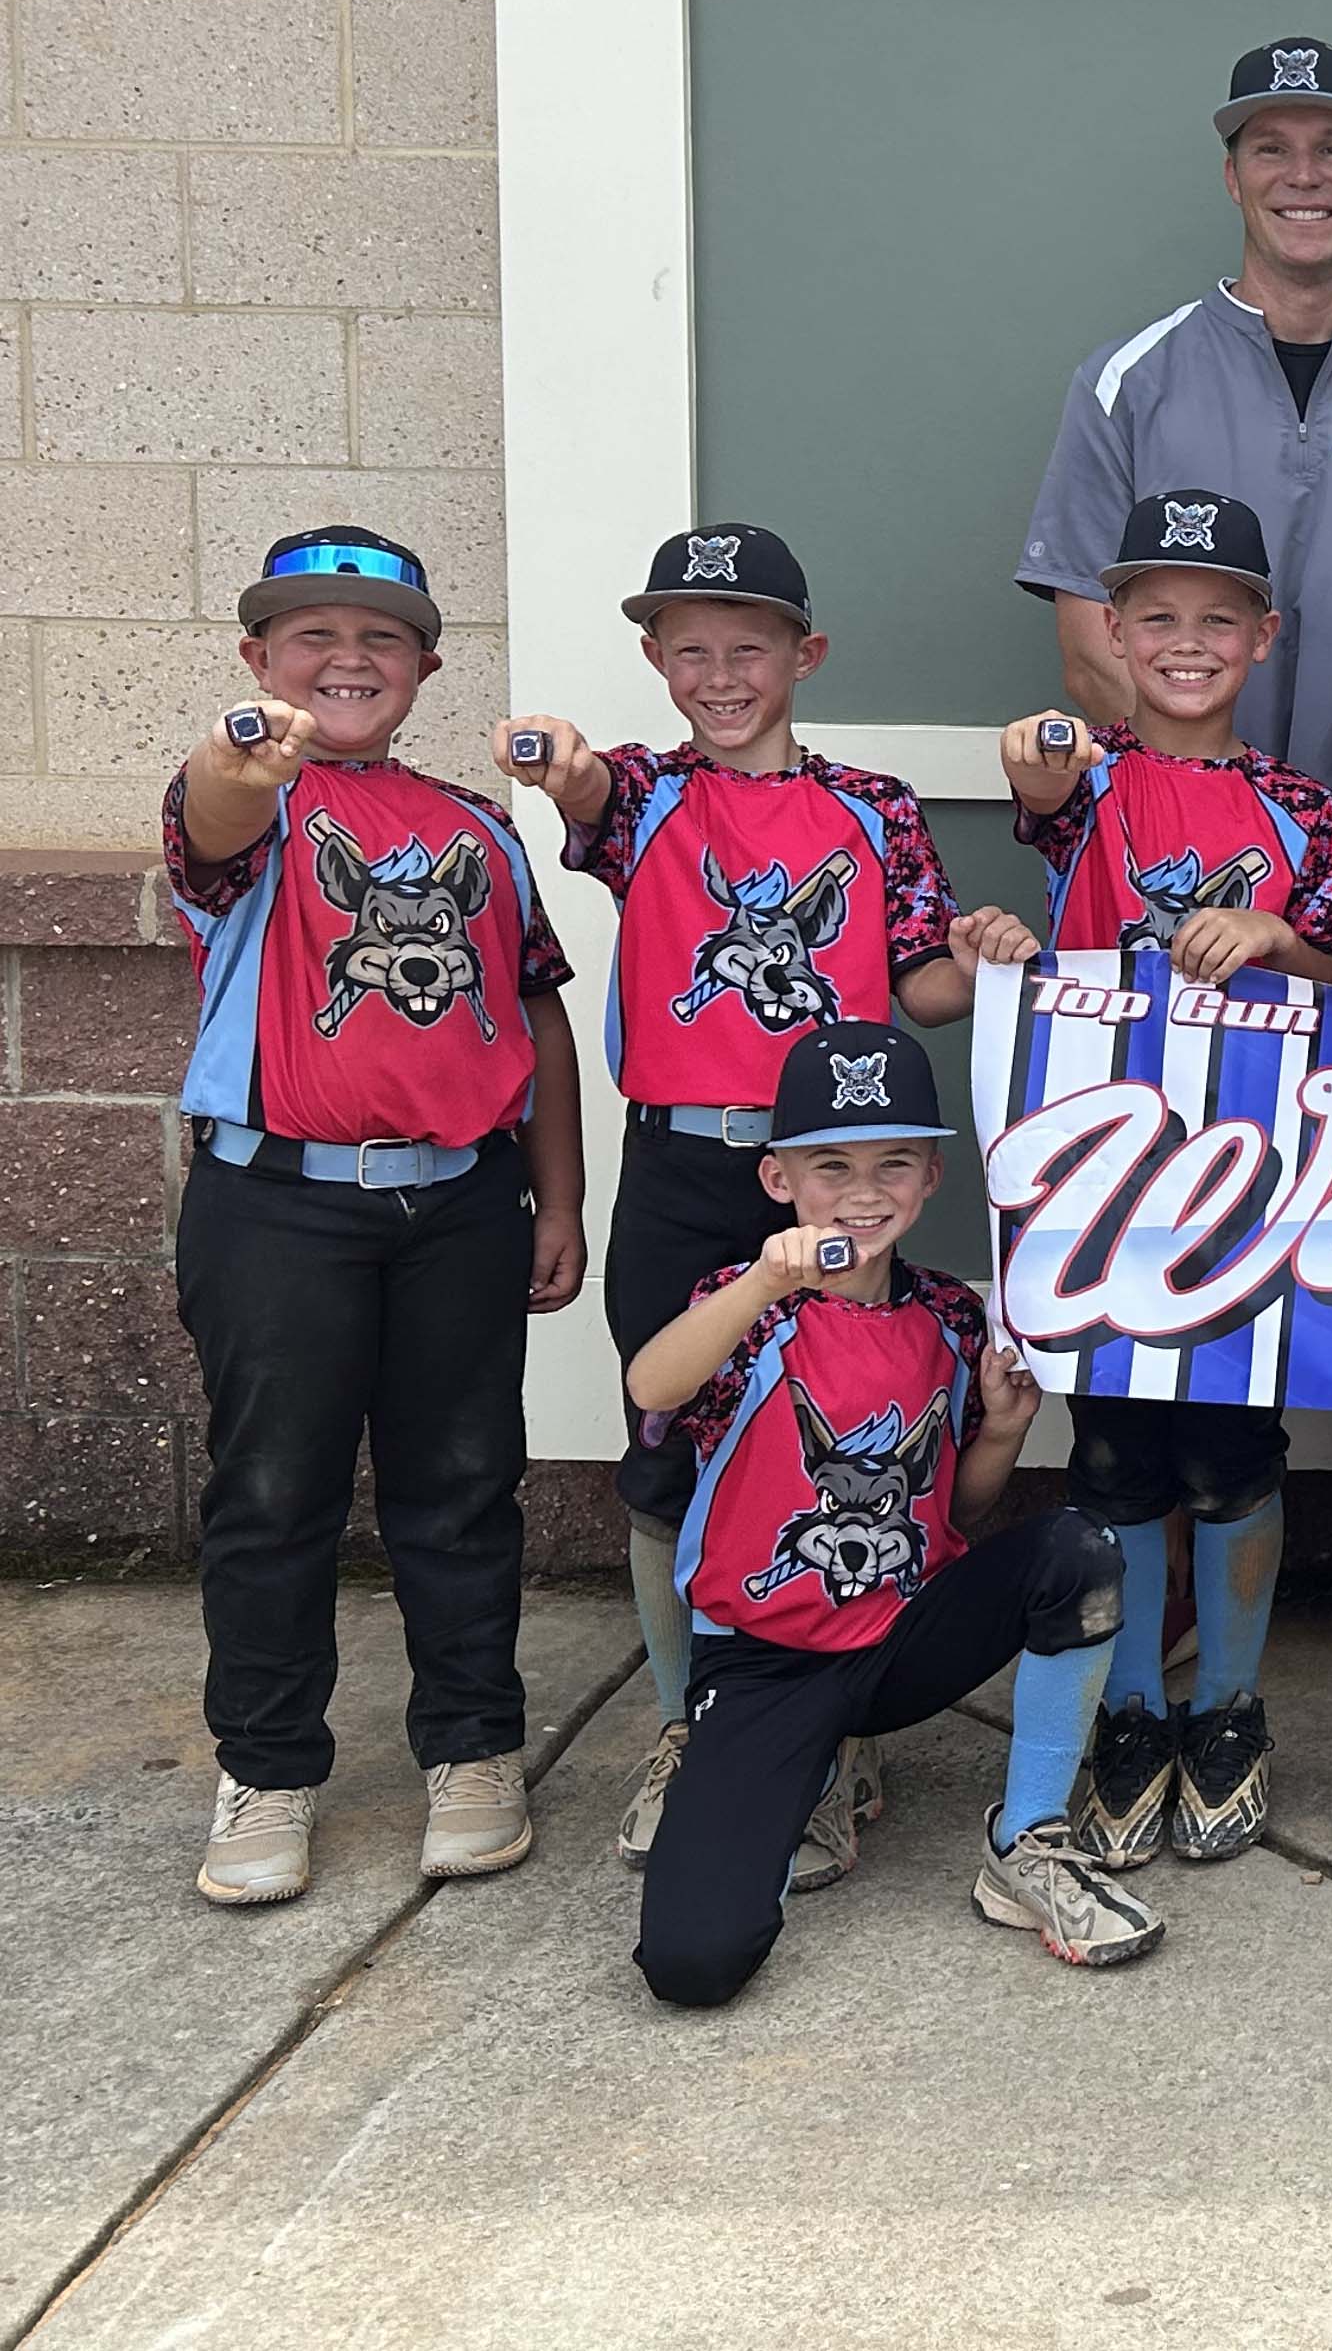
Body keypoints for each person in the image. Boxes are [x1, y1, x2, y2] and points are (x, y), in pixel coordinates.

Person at [499, 523, 1036, 1883]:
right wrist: (554, 758)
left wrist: (975, 962)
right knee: (663, 1442)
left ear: (806, 654)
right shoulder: (643, 795)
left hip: (838, 1165)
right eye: (690, 649)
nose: (720, 674)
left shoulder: (874, 805)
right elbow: (572, 790)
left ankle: (837, 1727)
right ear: (655, 660)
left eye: (749, 647)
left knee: (855, 1435)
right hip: (686, 1164)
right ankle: (695, 1725)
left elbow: (913, 983)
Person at [172, 528, 588, 1907]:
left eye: (380, 638)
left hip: (460, 1200)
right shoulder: (256, 804)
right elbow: (214, 810)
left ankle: (470, 1750)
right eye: (311, 637)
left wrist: (558, 1195)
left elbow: (535, 1010)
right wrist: (248, 754)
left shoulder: (474, 827)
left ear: (423, 663)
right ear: (259, 661)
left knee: (462, 1486)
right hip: (278, 1205)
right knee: (275, 1492)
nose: (347, 660)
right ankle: (271, 1768)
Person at [629, 1023, 1156, 2004]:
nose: (864, 1190)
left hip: (899, 1635)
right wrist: (762, 1279)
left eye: (894, 1162)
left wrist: (999, 1432)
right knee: (693, 1963)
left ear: (931, 1177)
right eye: (831, 1164)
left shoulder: (952, 1315)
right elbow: (654, 1385)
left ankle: (1028, 1839)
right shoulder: (752, 1308)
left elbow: (951, 1510)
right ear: (779, 1177)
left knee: (1078, 1549)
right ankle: (805, 1776)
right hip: (766, 1659)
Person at [1001, 488, 1332, 1873]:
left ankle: (1229, 1707)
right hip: (1100, 1183)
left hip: (1244, 1184)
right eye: (1155, 617)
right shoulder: (1086, 777)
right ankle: (1132, 1709)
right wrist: (1039, 750)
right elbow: (1035, 779)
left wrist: (1279, 930)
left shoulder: (1302, 811)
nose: (1187, 642)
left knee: (1229, 1454)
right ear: (1112, 631)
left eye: (1217, 618)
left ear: (1263, 637)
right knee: (1113, 1457)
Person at [1019, 38, 1332, 798]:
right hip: (1182, 826)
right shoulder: (1125, 381)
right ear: (1232, 177)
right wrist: (1226, 803)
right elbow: (1092, 647)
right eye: (1270, 150)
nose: (1303, 176)